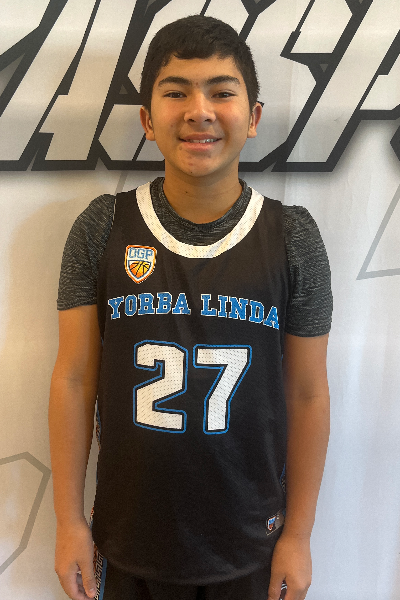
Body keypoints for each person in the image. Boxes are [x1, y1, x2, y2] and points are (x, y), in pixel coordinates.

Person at [49, 15, 332, 600]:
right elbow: (73, 378)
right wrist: (68, 520)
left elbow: (307, 393)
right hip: (128, 538)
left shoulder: (293, 236)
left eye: (222, 92)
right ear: (148, 120)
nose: (199, 111)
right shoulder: (102, 228)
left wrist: (300, 534)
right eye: (176, 92)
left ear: (253, 118)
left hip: (249, 543)